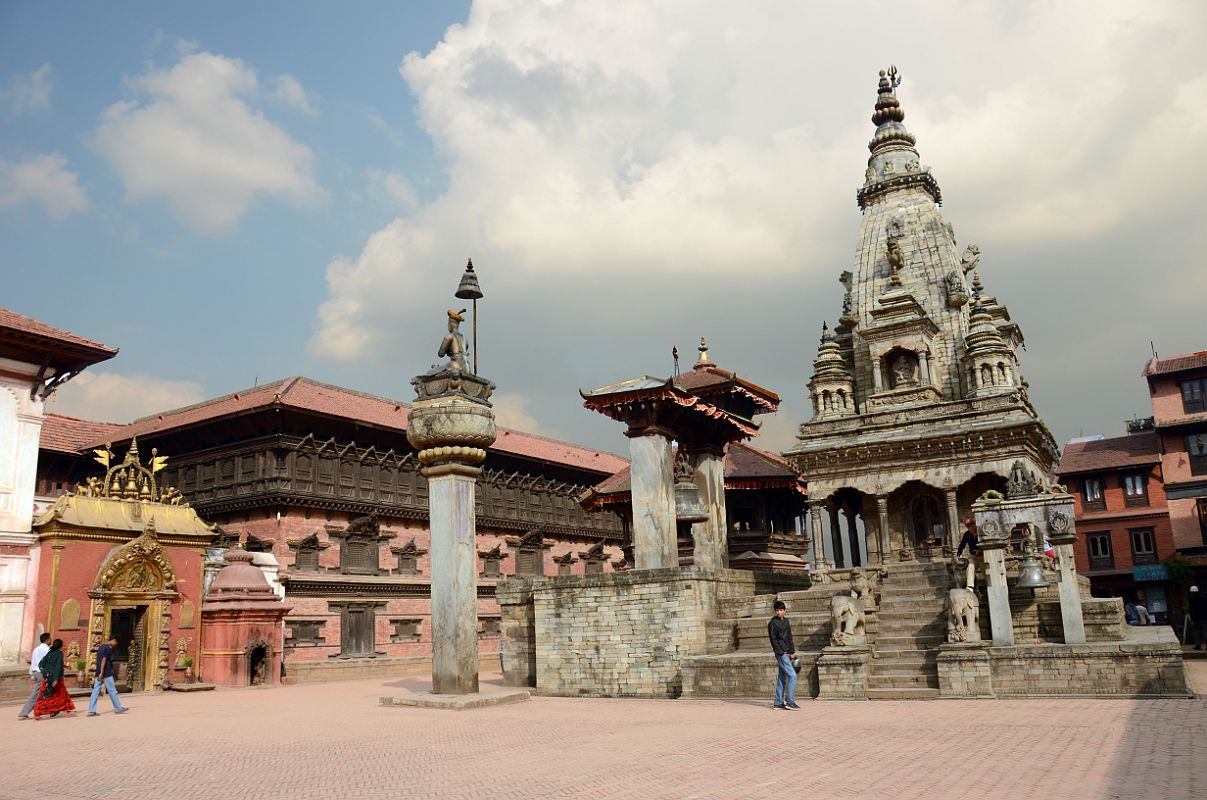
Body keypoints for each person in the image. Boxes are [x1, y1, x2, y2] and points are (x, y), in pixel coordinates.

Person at [32, 639, 75, 719]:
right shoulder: (59, 654)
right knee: (61, 694)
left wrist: (46, 673)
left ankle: (38, 713)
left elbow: (41, 664)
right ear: (61, 646)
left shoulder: (49, 653)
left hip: (48, 677)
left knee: (44, 694)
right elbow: (58, 666)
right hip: (56, 678)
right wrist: (56, 679)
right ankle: (65, 710)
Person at [87, 635, 129, 717]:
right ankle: (118, 708)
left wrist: (99, 672)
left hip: (98, 672)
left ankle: (91, 711)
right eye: (116, 642)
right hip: (106, 673)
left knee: (95, 691)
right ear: (113, 640)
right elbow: (103, 660)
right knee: (112, 691)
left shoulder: (101, 647)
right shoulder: (108, 648)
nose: (115, 644)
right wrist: (102, 673)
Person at [767, 600, 798, 710]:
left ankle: (778, 703)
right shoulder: (772, 623)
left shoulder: (786, 621)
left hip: (787, 652)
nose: (779, 612)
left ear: (784, 610)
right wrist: (780, 652)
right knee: (793, 676)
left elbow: (789, 637)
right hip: (781, 653)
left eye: (781, 610)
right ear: (775, 611)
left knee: (782, 677)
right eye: (777, 610)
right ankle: (789, 701)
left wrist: (792, 651)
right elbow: (773, 639)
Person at [16, 632, 51, 720]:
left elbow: (33, 662)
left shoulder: (36, 649)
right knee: (37, 694)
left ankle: (50, 711)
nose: (51, 640)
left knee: (46, 692)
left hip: (36, 672)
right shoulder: (47, 650)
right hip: (42, 673)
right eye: (50, 639)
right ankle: (24, 713)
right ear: (47, 640)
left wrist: (32, 675)